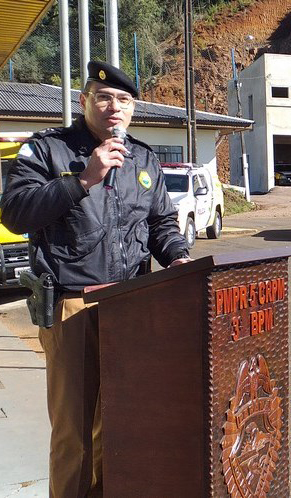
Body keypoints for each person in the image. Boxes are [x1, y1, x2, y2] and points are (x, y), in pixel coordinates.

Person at [0, 61, 190, 498]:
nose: (114, 107)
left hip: (133, 305)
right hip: (73, 305)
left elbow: (160, 224)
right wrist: (84, 178)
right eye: (103, 97)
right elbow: (15, 213)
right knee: (75, 431)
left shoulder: (143, 158)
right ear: (84, 101)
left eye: (124, 100)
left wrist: (178, 258)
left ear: (133, 109)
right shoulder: (48, 150)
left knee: (121, 421)